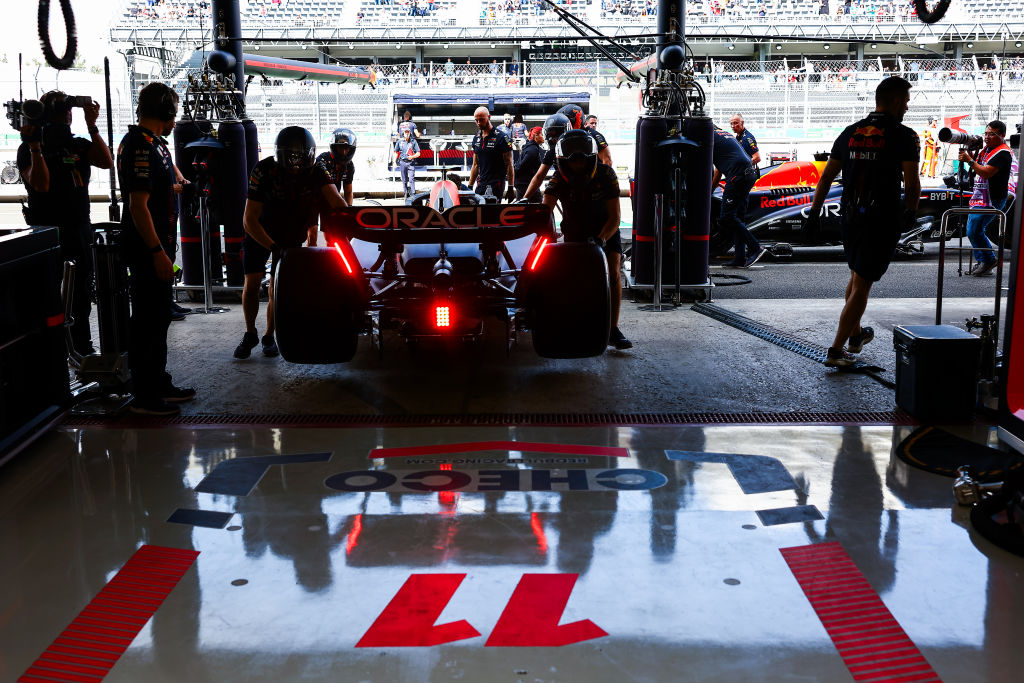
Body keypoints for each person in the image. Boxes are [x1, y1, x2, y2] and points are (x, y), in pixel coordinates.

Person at [803, 76, 920, 368]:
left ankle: (855, 337)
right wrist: (910, 213)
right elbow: (912, 183)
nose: (907, 106)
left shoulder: (849, 133)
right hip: (881, 219)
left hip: (851, 216)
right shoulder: (904, 135)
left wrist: (815, 213)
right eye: (905, 100)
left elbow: (827, 177)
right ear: (895, 100)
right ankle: (836, 351)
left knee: (856, 276)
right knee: (863, 285)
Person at [234, 126, 349, 360]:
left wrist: (349, 220)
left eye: (301, 162)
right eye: (291, 162)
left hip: (291, 233)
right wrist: (273, 246)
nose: (296, 169)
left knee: (278, 287)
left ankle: (268, 336)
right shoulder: (263, 170)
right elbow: (249, 220)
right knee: (252, 282)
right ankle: (250, 332)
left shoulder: (318, 169)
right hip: (260, 230)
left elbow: (337, 202)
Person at [116, 82, 194, 415]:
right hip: (148, 249)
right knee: (148, 318)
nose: (177, 116)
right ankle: (145, 395)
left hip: (160, 246)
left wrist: (180, 186)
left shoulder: (156, 144)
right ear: (164, 110)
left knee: (159, 316)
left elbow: (161, 187)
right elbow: (137, 205)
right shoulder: (139, 145)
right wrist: (156, 252)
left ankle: (158, 380)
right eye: (174, 109)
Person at [17, 90, 114, 357]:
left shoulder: (78, 144)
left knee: (81, 296)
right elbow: (40, 184)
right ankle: (52, 356)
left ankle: (82, 349)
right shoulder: (30, 148)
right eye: (63, 111)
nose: (67, 116)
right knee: (49, 298)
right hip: (47, 232)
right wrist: (36, 146)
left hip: (78, 228)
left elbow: (106, 162)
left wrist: (92, 124)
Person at [542, 129, 631, 351]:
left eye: (582, 161)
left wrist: (600, 240)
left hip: (605, 229)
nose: (578, 166)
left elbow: (616, 218)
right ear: (564, 161)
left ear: (590, 159)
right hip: (574, 230)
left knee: (612, 269)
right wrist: (545, 240)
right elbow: (544, 214)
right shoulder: (557, 178)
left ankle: (613, 329)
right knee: (573, 277)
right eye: (574, 162)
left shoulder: (606, 175)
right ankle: (575, 323)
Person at [959, 120, 1014, 277]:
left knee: (974, 230)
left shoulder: (1003, 152)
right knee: (973, 231)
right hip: (980, 197)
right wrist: (971, 154)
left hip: (992, 199)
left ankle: (988, 260)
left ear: (1002, 135)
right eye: (986, 133)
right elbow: (978, 168)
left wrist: (969, 160)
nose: (988, 137)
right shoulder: (988, 150)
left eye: (992, 134)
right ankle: (984, 260)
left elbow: (986, 172)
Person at [712, 127, 764, 268]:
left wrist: (709, 191)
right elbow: (719, 170)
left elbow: (715, 171)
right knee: (738, 217)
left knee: (727, 217)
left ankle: (755, 247)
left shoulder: (708, 137)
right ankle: (740, 258)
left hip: (738, 176)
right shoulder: (724, 135)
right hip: (748, 174)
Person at [519, 112, 571, 200]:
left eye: (556, 136)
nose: (553, 140)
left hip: (582, 181)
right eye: (550, 136)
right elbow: (539, 177)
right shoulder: (552, 152)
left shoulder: (575, 146)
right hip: (563, 179)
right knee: (547, 201)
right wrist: (525, 198)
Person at [468, 106, 515, 201]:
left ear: (489, 117)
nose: (478, 123)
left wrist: (510, 187)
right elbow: (475, 165)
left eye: (481, 120)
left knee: (493, 213)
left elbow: (509, 164)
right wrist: (470, 186)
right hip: (481, 183)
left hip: (496, 184)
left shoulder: (502, 137)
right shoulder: (476, 137)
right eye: (476, 120)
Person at [316, 127, 357, 207]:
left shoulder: (349, 165)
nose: (344, 152)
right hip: (316, 201)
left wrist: (348, 211)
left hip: (336, 200)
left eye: (346, 148)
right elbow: (333, 197)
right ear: (334, 147)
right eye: (340, 147)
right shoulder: (322, 161)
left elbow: (348, 192)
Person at [514, 126, 545, 202]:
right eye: (542, 135)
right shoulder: (533, 150)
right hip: (526, 184)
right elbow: (521, 166)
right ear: (536, 136)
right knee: (539, 206)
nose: (544, 137)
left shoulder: (530, 147)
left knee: (521, 206)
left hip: (522, 183)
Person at [394, 128, 420, 197]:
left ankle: (413, 194)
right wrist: (394, 162)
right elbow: (396, 152)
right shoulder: (399, 141)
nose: (407, 134)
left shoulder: (413, 141)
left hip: (411, 163)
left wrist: (412, 156)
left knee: (411, 179)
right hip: (402, 163)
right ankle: (405, 194)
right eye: (405, 132)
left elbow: (418, 153)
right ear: (403, 134)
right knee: (404, 180)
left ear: (410, 133)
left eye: (408, 132)